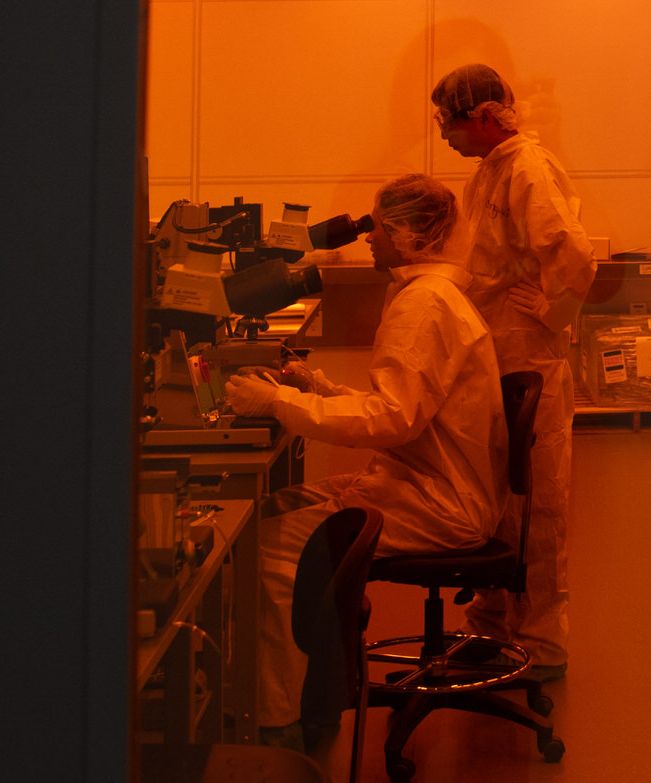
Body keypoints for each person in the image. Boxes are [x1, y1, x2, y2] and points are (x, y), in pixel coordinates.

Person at [224, 174, 507, 750]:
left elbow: (392, 420)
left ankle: (281, 726)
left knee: (264, 555)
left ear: (403, 232)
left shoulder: (424, 305)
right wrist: (316, 387)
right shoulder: (429, 294)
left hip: (438, 500)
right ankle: (314, 679)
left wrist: (277, 400)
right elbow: (406, 407)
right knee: (270, 510)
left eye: (375, 225)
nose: (367, 237)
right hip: (427, 479)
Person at [432, 63, 597, 680]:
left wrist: (553, 311)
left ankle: (543, 645)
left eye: (448, 122)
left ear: (481, 118)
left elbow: (574, 254)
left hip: (529, 362)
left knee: (539, 503)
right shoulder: (490, 173)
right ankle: (493, 623)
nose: (444, 135)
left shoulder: (527, 168)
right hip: (497, 359)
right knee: (497, 498)